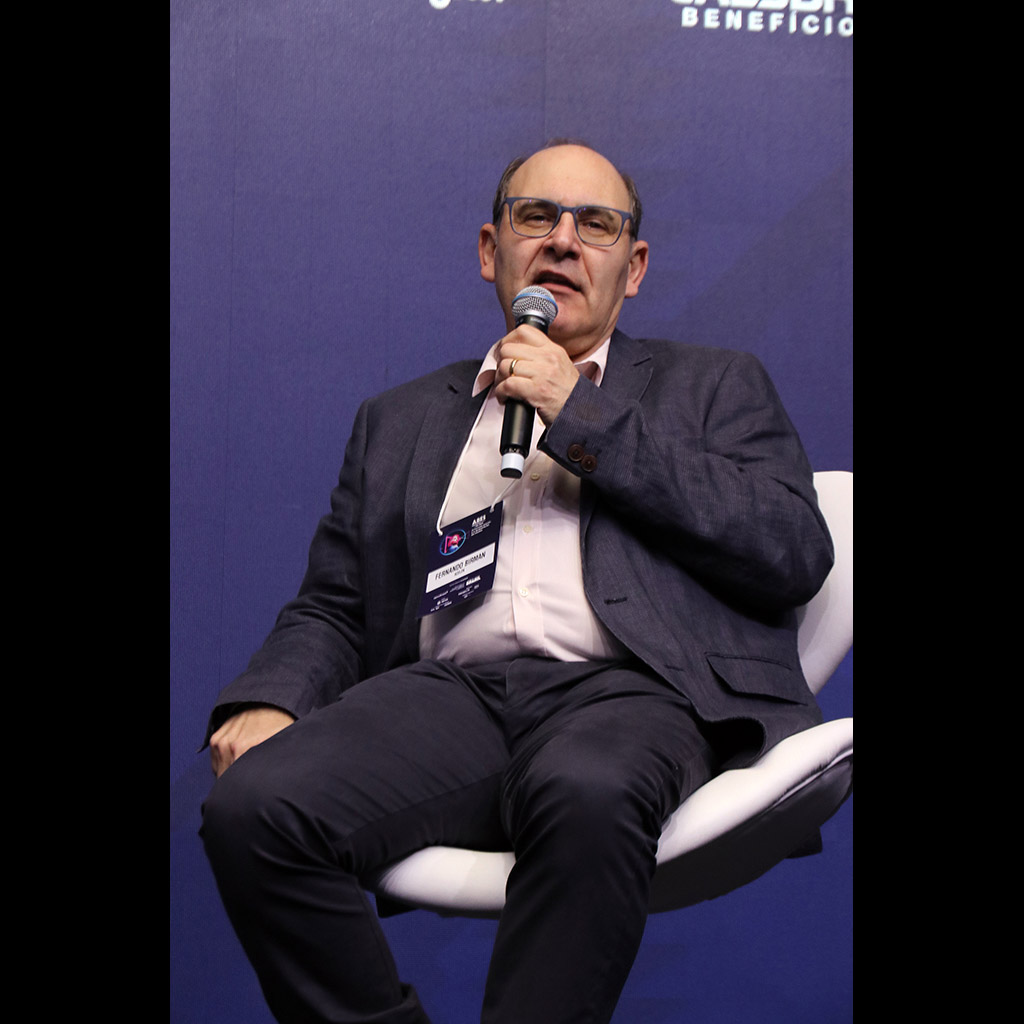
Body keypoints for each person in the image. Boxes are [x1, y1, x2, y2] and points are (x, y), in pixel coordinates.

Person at [200, 141, 834, 1024]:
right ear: (491, 250)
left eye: (596, 224)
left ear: (633, 268)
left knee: (588, 791)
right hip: (449, 700)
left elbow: (790, 549)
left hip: (634, 693)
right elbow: (337, 602)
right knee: (254, 807)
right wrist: (273, 697)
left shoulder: (713, 385)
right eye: (536, 216)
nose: (563, 240)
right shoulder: (400, 419)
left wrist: (581, 415)